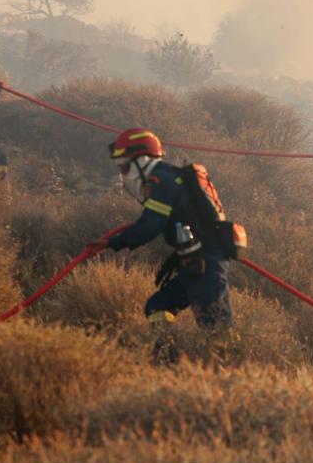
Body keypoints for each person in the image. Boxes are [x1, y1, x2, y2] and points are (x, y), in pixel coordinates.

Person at [91, 128, 246, 359]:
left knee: (217, 328)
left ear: (141, 161)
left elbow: (149, 226)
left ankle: (232, 376)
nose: (123, 174)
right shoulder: (165, 178)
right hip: (194, 261)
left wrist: (111, 243)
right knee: (158, 307)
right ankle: (168, 360)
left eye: (125, 166)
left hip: (206, 262)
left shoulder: (161, 181)